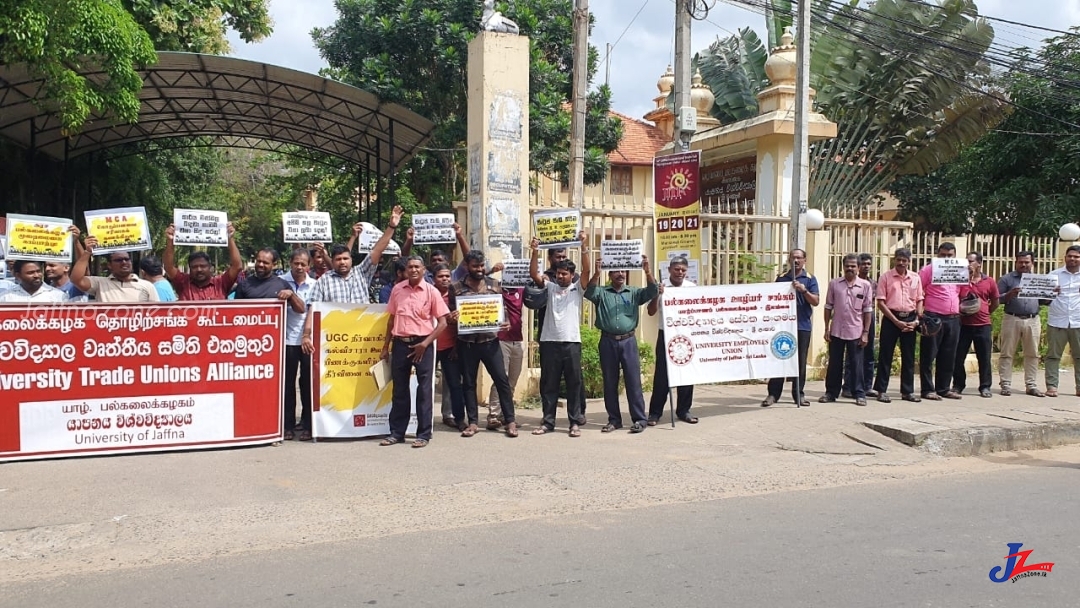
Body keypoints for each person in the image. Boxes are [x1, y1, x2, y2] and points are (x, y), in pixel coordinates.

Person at [301, 206, 403, 354]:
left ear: (351, 260)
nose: (342, 262)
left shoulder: (362, 272)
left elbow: (377, 249)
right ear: (333, 261)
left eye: (345, 258)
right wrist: (306, 335)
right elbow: (313, 308)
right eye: (338, 259)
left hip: (361, 337)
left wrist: (391, 226)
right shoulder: (324, 280)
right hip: (334, 338)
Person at [379, 255, 450, 448]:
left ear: (424, 270)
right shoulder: (397, 290)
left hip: (423, 345)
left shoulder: (431, 292)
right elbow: (391, 320)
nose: (413, 270)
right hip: (401, 344)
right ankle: (397, 433)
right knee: (399, 390)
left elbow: (443, 323)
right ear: (405, 270)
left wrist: (425, 344)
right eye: (410, 267)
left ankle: (423, 434)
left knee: (424, 391)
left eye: (417, 267)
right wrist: (386, 347)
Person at [585, 249, 659, 433]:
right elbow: (589, 292)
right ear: (610, 274)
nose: (621, 274)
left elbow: (652, 291)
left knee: (633, 381)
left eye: (623, 271)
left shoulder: (633, 292)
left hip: (628, 342)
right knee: (610, 382)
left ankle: (639, 419)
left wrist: (647, 271)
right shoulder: (602, 293)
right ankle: (614, 420)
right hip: (607, 342)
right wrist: (596, 272)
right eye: (616, 271)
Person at [451, 250, 519, 438]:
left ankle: (510, 421)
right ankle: (473, 423)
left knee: (502, 381)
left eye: (482, 266)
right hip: (467, 344)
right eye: (475, 266)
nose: (479, 269)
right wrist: (452, 318)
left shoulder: (495, 285)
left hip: (490, 342)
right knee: (469, 384)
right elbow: (449, 316)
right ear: (467, 266)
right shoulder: (456, 287)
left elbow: (502, 310)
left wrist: (505, 322)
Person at [529, 232, 590, 437]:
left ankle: (574, 422)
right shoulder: (550, 287)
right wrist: (535, 251)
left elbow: (588, 270)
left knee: (573, 384)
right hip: (549, 342)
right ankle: (548, 422)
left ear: (572, 275)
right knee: (549, 384)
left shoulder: (577, 289)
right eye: (559, 274)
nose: (561, 277)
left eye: (565, 274)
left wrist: (584, 246)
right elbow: (534, 274)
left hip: (571, 343)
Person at [761, 249, 820, 408]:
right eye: (793, 258)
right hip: (782, 326)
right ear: (789, 260)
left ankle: (798, 394)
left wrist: (803, 290)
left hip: (802, 326)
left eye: (799, 258)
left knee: (800, 362)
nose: (796, 261)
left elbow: (816, 301)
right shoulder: (781, 279)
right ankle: (773, 394)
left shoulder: (810, 279)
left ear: (804, 260)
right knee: (778, 358)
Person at [646, 255, 697, 424]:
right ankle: (655, 413)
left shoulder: (692, 287)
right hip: (666, 336)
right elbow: (651, 311)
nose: (680, 273)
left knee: (687, 374)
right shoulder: (661, 287)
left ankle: (684, 410)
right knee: (662, 376)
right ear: (669, 270)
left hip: (686, 335)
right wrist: (657, 295)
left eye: (683, 270)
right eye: (676, 269)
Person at [820, 254, 874, 406]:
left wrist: (865, 332)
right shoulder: (835, 284)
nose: (850, 269)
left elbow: (868, 310)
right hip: (837, 330)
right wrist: (826, 328)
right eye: (847, 266)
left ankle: (859, 394)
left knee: (857, 364)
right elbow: (828, 306)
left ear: (858, 268)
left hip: (856, 331)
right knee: (834, 364)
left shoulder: (865, 285)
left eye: (853, 266)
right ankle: (831, 393)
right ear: (843, 267)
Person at [872, 248, 924, 403]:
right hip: (891, 319)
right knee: (885, 356)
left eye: (904, 260)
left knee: (909, 357)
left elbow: (920, 299)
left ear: (909, 261)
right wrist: (895, 321)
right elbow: (880, 302)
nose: (901, 263)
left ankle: (907, 391)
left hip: (910, 319)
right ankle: (881, 390)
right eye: (898, 259)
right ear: (894, 260)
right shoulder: (886, 277)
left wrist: (917, 320)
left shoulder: (915, 278)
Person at [917, 242, 963, 401]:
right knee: (929, 354)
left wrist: (969, 275)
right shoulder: (928, 270)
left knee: (949, 355)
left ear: (955, 256)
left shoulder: (959, 270)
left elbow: (963, 292)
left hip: (953, 318)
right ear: (937, 255)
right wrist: (920, 312)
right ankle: (927, 389)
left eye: (950, 256)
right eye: (943, 255)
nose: (946, 258)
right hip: (933, 317)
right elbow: (917, 289)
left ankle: (943, 388)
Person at [997, 251, 1044, 397]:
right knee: (1007, 352)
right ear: (1016, 262)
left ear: (1032, 263)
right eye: (1020, 262)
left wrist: (1052, 294)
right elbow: (996, 298)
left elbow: (1044, 301)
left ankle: (1031, 385)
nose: (1023, 265)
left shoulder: (1038, 280)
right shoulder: (1007, 279)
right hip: (1012, 318)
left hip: (1033, 319)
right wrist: (1009, 294)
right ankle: (1005, 384)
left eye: (1026, 262)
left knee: (1033, 353)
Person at [952, 252, 998, 398]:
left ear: (979, 263)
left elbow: (995, 301)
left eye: (971, 261)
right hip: (963, 325)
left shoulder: (989, 281)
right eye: (966, 261)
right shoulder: (960, 280)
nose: (968, 264)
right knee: (958, 357)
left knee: (984, 357)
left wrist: (985, 311)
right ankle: (958, 385)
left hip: (983, 324)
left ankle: (985, 386)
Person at [282, 249, 315, 441]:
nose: (299, 267)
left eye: (303, 264)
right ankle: (287, 425)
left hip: (308, 342)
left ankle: (308, 424)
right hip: (286, 340)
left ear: (308, 265)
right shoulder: (280, 281)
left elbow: (312, 309)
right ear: (290, 263)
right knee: (287, 385)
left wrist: (307, 335)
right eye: (296, 263)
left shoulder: (315, 284)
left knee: (307, 384)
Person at [163, 222, 244, 300]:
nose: (199, 269)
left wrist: (230, 238)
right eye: (194, 267)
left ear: (210, 267)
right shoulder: (182, 282)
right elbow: (168, 267)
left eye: (203, 266)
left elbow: (237, 266)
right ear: (190, 268)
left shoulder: (221, 283)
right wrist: (170, 241)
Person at [486, 263, 524, 431]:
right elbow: (481, 279)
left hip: (517, 340)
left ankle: (505, 414)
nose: (512, 277)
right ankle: (493, 414)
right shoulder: (496, 290)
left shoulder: (521, 290)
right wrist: (492, 270)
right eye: (508, 273)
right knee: (501, 378)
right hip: (501, 340)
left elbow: (536, 282)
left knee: (513, 379)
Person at [70, 237, 160, 303]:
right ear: (109, 265)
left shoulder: (147, 286)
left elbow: (157, 313)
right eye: (119, 260)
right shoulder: (100, 283)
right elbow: (76, 279)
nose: (124, 262)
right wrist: (88, 251)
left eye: (127, 259)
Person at [431, 263, 466, 430]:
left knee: (454, 384)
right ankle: (424, 417)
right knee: (425, 384)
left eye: (447, 276)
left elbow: (465, 324)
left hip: (450, 347)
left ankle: (456, 418)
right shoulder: (428, 294)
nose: (445, 279)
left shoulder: (457, 296)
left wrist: (456, 346)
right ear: (433, 278)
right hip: (430, 346)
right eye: (440, 276)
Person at [1044, 245, 1080, 398]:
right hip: (1057, 321)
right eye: (1070, 256)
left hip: (1078, 321)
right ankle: (1052, 386)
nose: (1072, 259)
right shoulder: (1054, 275)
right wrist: (1051, 293)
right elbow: (1043, 300)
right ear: (1065, 257)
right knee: (1053, 356)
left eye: (1076, 257)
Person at [843, 253, 877, 398]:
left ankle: (867, 386)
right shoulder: (847, 283)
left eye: (869, 264)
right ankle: (848, 386)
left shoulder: (872, 283)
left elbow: (871, 304)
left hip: (867, 318)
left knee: (868, 353)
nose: (866, 266)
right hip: (851, 320)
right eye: (863, 264)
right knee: (852, 355)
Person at [0, 260, 68, 303]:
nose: (36, 275)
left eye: (38, 271)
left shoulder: (58, 296)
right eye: (30, 273)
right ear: (18, 275)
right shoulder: (6, 297)